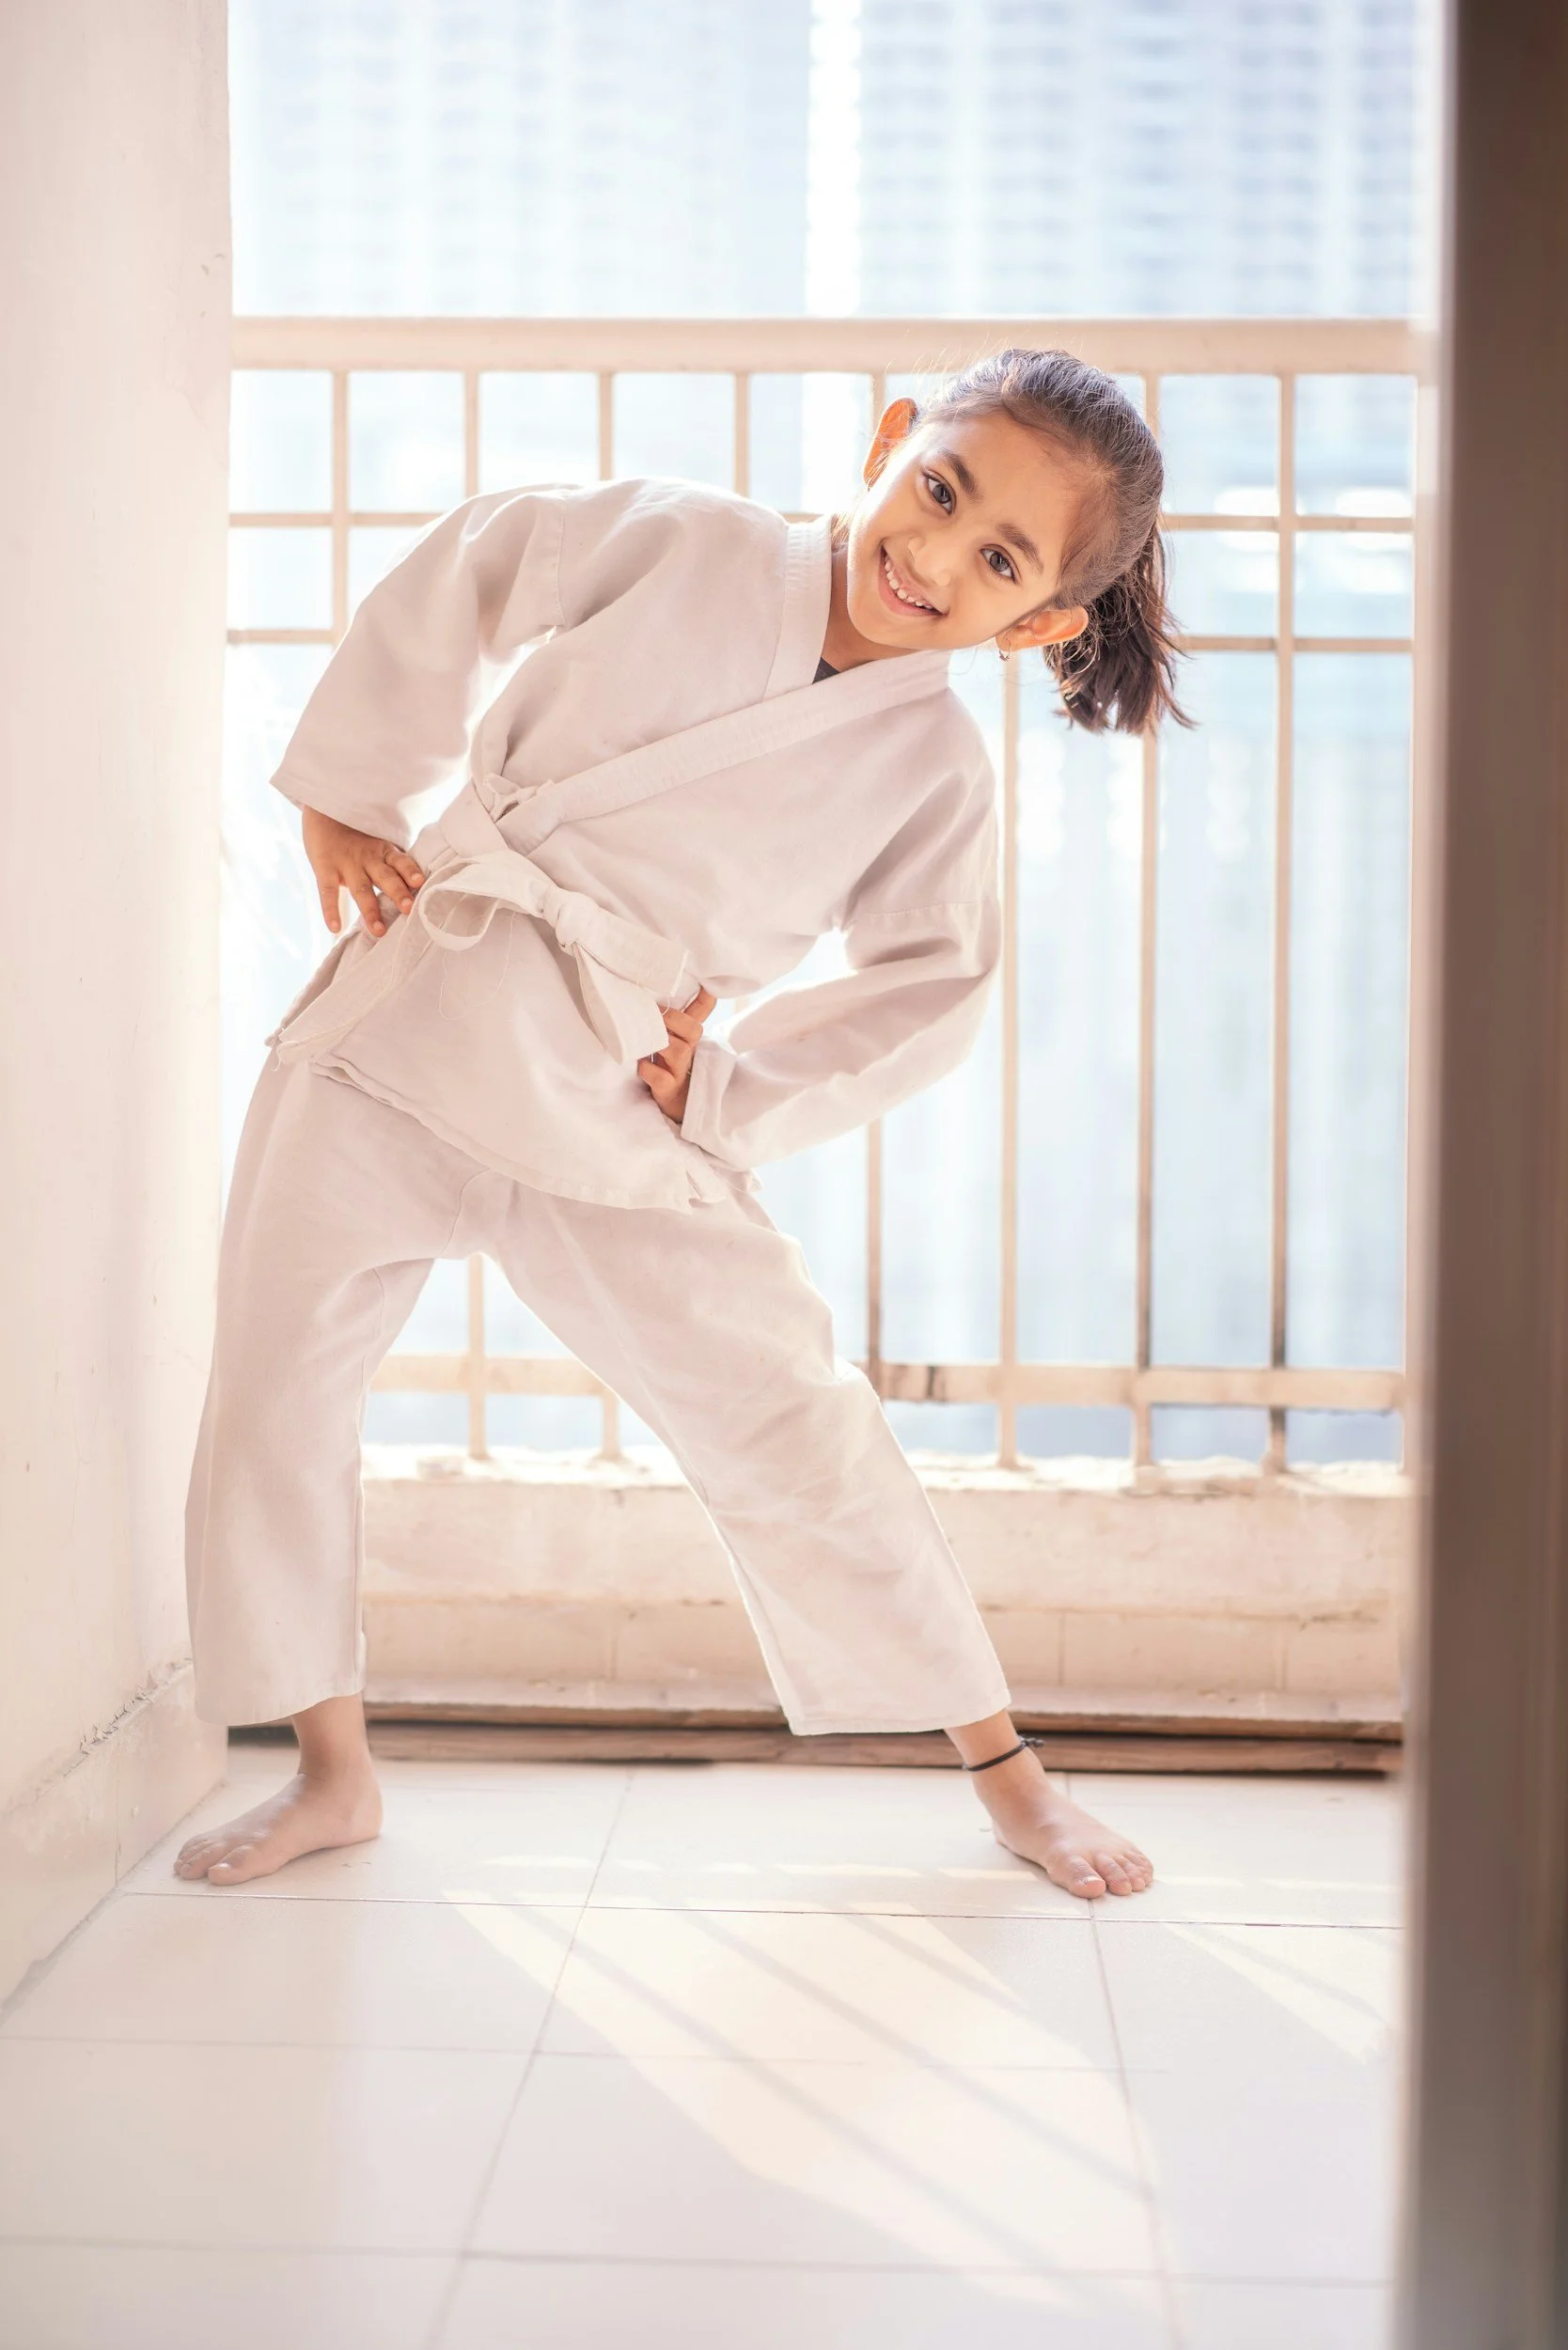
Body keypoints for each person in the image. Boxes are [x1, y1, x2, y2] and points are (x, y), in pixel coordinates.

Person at [178, 348, 1183, 1900]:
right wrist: (352, 788)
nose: (934, 556)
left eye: (1000, 558)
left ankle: (1008, 1773)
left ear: (1042, 619)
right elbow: (474, 559)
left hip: (613, 1091)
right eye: (939, 492)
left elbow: (933, 983)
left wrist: (729, 1087)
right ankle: (333, 1772)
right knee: (274, 1392)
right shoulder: (686, 539)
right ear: (892, 440)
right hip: (412, 1005)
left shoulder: (932, 768)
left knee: (793, 1417)